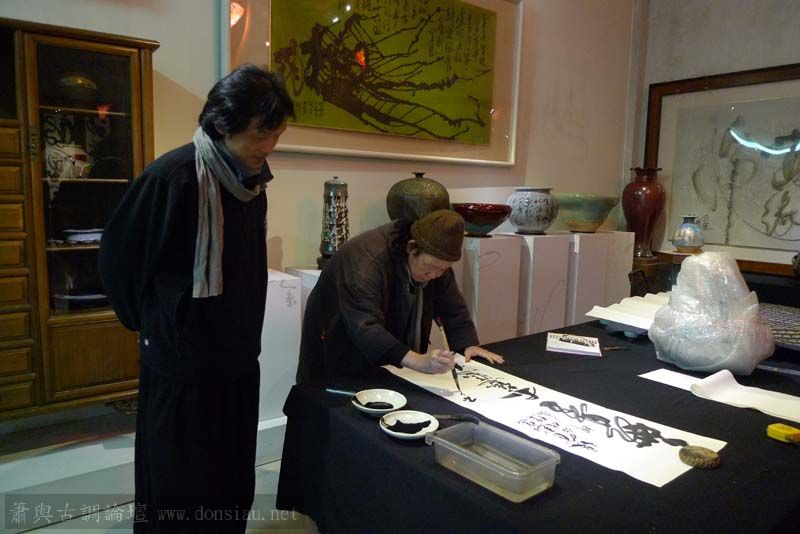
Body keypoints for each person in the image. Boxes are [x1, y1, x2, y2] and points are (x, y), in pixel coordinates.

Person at [98, 64, 294, 533]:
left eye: (276, 135)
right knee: (177, 483)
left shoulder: (252, 184)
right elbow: (118, 260)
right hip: (181, 366)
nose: (268, 147)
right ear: (224, 125)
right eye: (260, 134)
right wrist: (159, 324)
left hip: (237, 362)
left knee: (230, 478)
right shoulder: (173, 177)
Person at [297, 209, 504, 384]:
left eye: (442, 270)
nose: (433, 276)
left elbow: (451, 305)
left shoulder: (434, 258)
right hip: (339, 345)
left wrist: (467, 344)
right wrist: (419, 361)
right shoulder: (365, 262)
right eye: (430, 267)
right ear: (411, 248)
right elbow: (365, 326)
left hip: (385, 359)